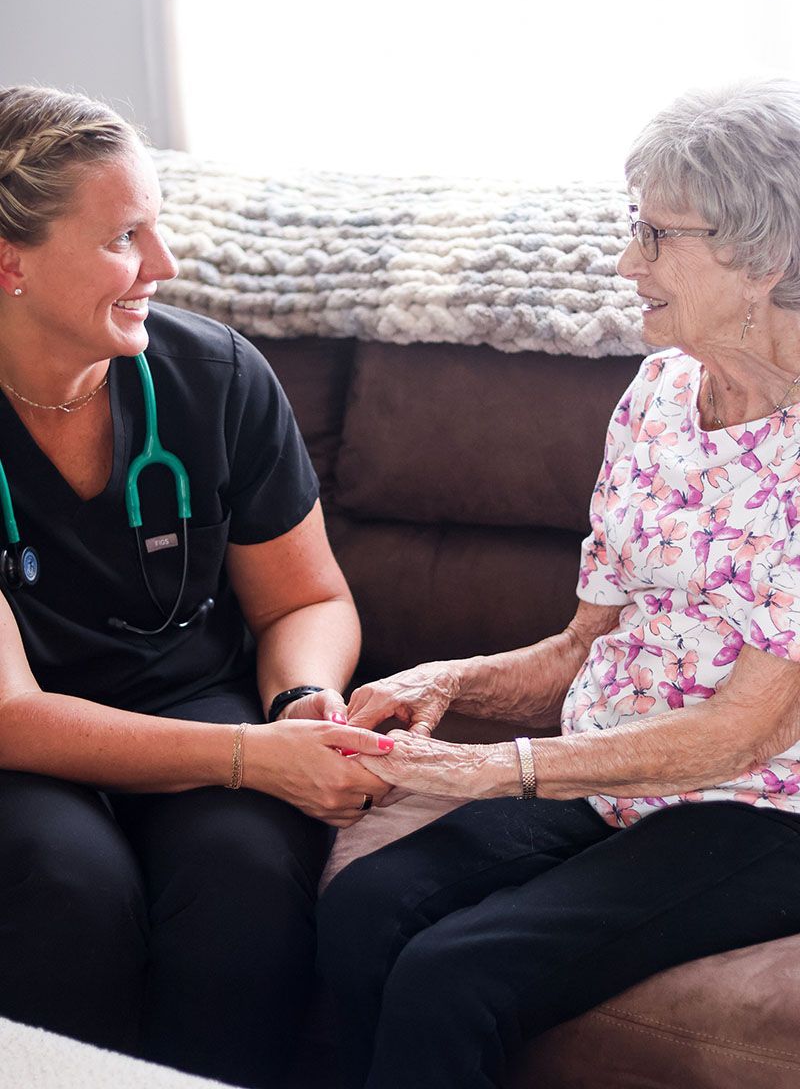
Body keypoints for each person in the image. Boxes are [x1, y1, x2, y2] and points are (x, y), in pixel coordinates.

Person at [317, 80, 800, 1089]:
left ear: (763, 258)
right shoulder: (658, 393)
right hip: (603, 776)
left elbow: (748, 731)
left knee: (456, 978)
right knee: (364, 906)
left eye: (657, 236)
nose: (627, 263)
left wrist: (498, 768)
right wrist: (450, 682)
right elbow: (582, 648)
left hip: (756, 809)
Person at [0, 85, 395, 1089]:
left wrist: (299, 705)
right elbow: (11, 714)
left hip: (187, 694)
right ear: (10, 264)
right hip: (24, 749)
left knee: (247, 880)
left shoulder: (212, 378)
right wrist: (250, 758)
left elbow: (304, 601)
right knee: (65, 888)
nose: (164, 267)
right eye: (125, 236)